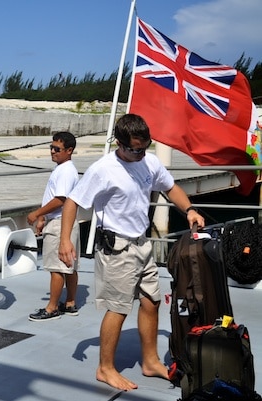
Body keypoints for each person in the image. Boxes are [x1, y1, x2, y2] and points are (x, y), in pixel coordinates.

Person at [58, 114, 205, 391]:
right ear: (119, 143)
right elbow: (72, 202)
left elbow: (170, 187)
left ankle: (149, 362)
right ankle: (105, 368)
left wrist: (189, 209)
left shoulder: (148, 161)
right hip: (117, 249)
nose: (139, 154)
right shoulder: (103, 169)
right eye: (133, 149)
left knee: (151, 301)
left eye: (144, 147)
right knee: (118, 308)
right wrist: (65, 241)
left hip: (143, 244)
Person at [26, 131, 80, 321]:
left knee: (56, 268)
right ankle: (71, 302)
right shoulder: (64, 169)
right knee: (69, 266)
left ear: (69, 150)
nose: (52, 152)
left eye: (57, 149)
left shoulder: (65, 170)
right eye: (51, 147)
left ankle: (52, 308)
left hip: (59, 225)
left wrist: (37, 213)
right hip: (64, 222)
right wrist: (43, 219)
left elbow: (60, 199)